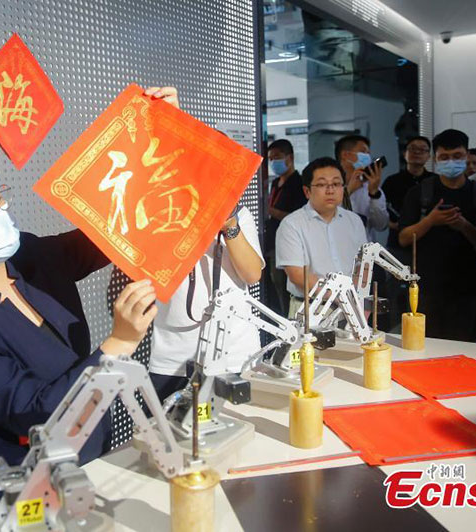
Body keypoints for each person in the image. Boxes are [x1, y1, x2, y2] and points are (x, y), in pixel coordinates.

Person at [0, 146, 162, 502]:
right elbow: (37, 412)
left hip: (95, 448)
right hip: (31, 485)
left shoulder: (30, 255)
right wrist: (120, 342)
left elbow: (110, 231)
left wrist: (157, 136)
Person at [148, 204, 265, 401]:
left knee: (238, 429)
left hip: (234, 352)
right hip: (172, 356)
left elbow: (252, 274)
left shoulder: (238, 212)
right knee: (169, 430)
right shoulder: (156, 210)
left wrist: (230, 225)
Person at [398, 129, 476, 341]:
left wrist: (464, 225)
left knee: (463, 346)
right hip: (426, 287)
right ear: (435, 159)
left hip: (467, 287)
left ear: (467, 156)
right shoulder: (420, 192)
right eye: (444, 157)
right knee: (424, 344)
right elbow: (403, 238)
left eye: (457, 156)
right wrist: (430, 221)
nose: (451, 162)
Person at [276, 157, 367, 317]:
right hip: (310, 309)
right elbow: (297, 275)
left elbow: (363, 266)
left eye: (336, 184)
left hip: (352, 308)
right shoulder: (291, 224)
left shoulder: (354, 221)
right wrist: (338, 298)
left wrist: (361, 301)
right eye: (322, 184)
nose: (330, 190)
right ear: (307, 191)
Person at [382, 136, 437, 327]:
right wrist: (400, 226)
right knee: (396, 292)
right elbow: (382, 213)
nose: (417, 153)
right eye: (412, 149)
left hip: (425, 247)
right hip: (397, 245)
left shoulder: (434, 181)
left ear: (429, 155)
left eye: (422, 150)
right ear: (405, 153)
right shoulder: (392, 181)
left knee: (423, 294)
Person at [264, 139, 306, 315]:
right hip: (270, 241)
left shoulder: (299, 183)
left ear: (290, 157)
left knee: (283, 287)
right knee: (273, 287)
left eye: (278, 157)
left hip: (287, 244)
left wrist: (270, 210)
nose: (274, 162)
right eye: (271, 158)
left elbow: (297, 217)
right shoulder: (275, 183)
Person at [335, 134, 389, 242]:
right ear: (346, 155)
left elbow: (381, 225)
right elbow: (325, 216)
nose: (368, 157)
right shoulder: (329, 185)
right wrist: (348, 191)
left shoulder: (370, 187)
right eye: (363, 152)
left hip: (364, 253)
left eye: (369, 153)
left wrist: (374, 194)